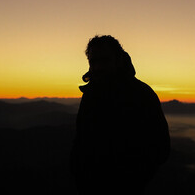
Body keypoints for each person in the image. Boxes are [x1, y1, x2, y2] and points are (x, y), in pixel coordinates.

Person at [70, 35, 170, 195]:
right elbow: (82, 139)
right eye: (93, 61)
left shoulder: (141, 94)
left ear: (118, 60)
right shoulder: (91, 94)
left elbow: (160, 148)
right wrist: (79, 174)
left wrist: (130, 181)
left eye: (104, 60)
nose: (97, 67)